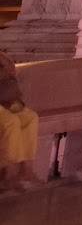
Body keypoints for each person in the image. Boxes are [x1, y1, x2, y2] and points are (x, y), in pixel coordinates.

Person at [0, 51, 39, 192]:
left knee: (31, 117)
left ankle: (26, 168)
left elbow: (10, 67)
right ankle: (8, 171)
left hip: (8, 102)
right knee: (11, 122)